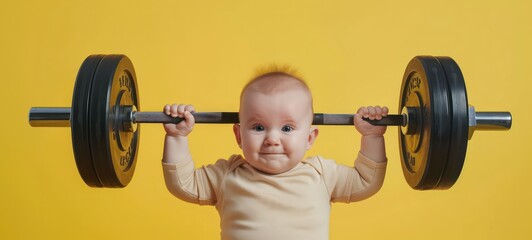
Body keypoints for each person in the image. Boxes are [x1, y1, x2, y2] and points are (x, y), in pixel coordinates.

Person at [161, 70, 388, 240]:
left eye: (287, 128)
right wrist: (177, 136)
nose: (272, 138)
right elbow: (183, 183)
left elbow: (366, 180)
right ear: (239, 136)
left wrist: (372, 137)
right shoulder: (228, 175)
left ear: (309, 138)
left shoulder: (322, 174)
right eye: (259, 127)